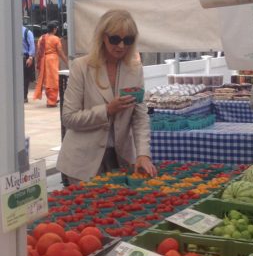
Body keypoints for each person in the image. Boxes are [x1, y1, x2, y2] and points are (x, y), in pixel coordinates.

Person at [56, 9, 157, 184]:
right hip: (82, 163)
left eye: (128, 40)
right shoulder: (81, 67)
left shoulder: (134, 69)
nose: (121, 46)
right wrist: (107, 110)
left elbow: (140, 117)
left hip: (121, 159)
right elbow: (69, 118)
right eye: (115, 39)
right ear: (103, 37)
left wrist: (143, 154)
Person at [33, 20, 68, 108]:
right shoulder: (56, 39)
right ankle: (51, 101)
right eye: (56, 28)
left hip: (43, 60)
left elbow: (38, 52)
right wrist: (66, 61)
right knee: (53, 80)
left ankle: (52, 99)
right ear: (54, 29)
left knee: (47, 81)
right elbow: (60, 51)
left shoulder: (41, 38)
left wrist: (38, 63)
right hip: (52, 60)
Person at [23, 25, 35, 103]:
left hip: (24, 58)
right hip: (11, 58)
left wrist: (30, 57)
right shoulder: (8, 32)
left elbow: (32, 45)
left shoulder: (27, 32)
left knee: (25, 78)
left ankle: (24, 96)